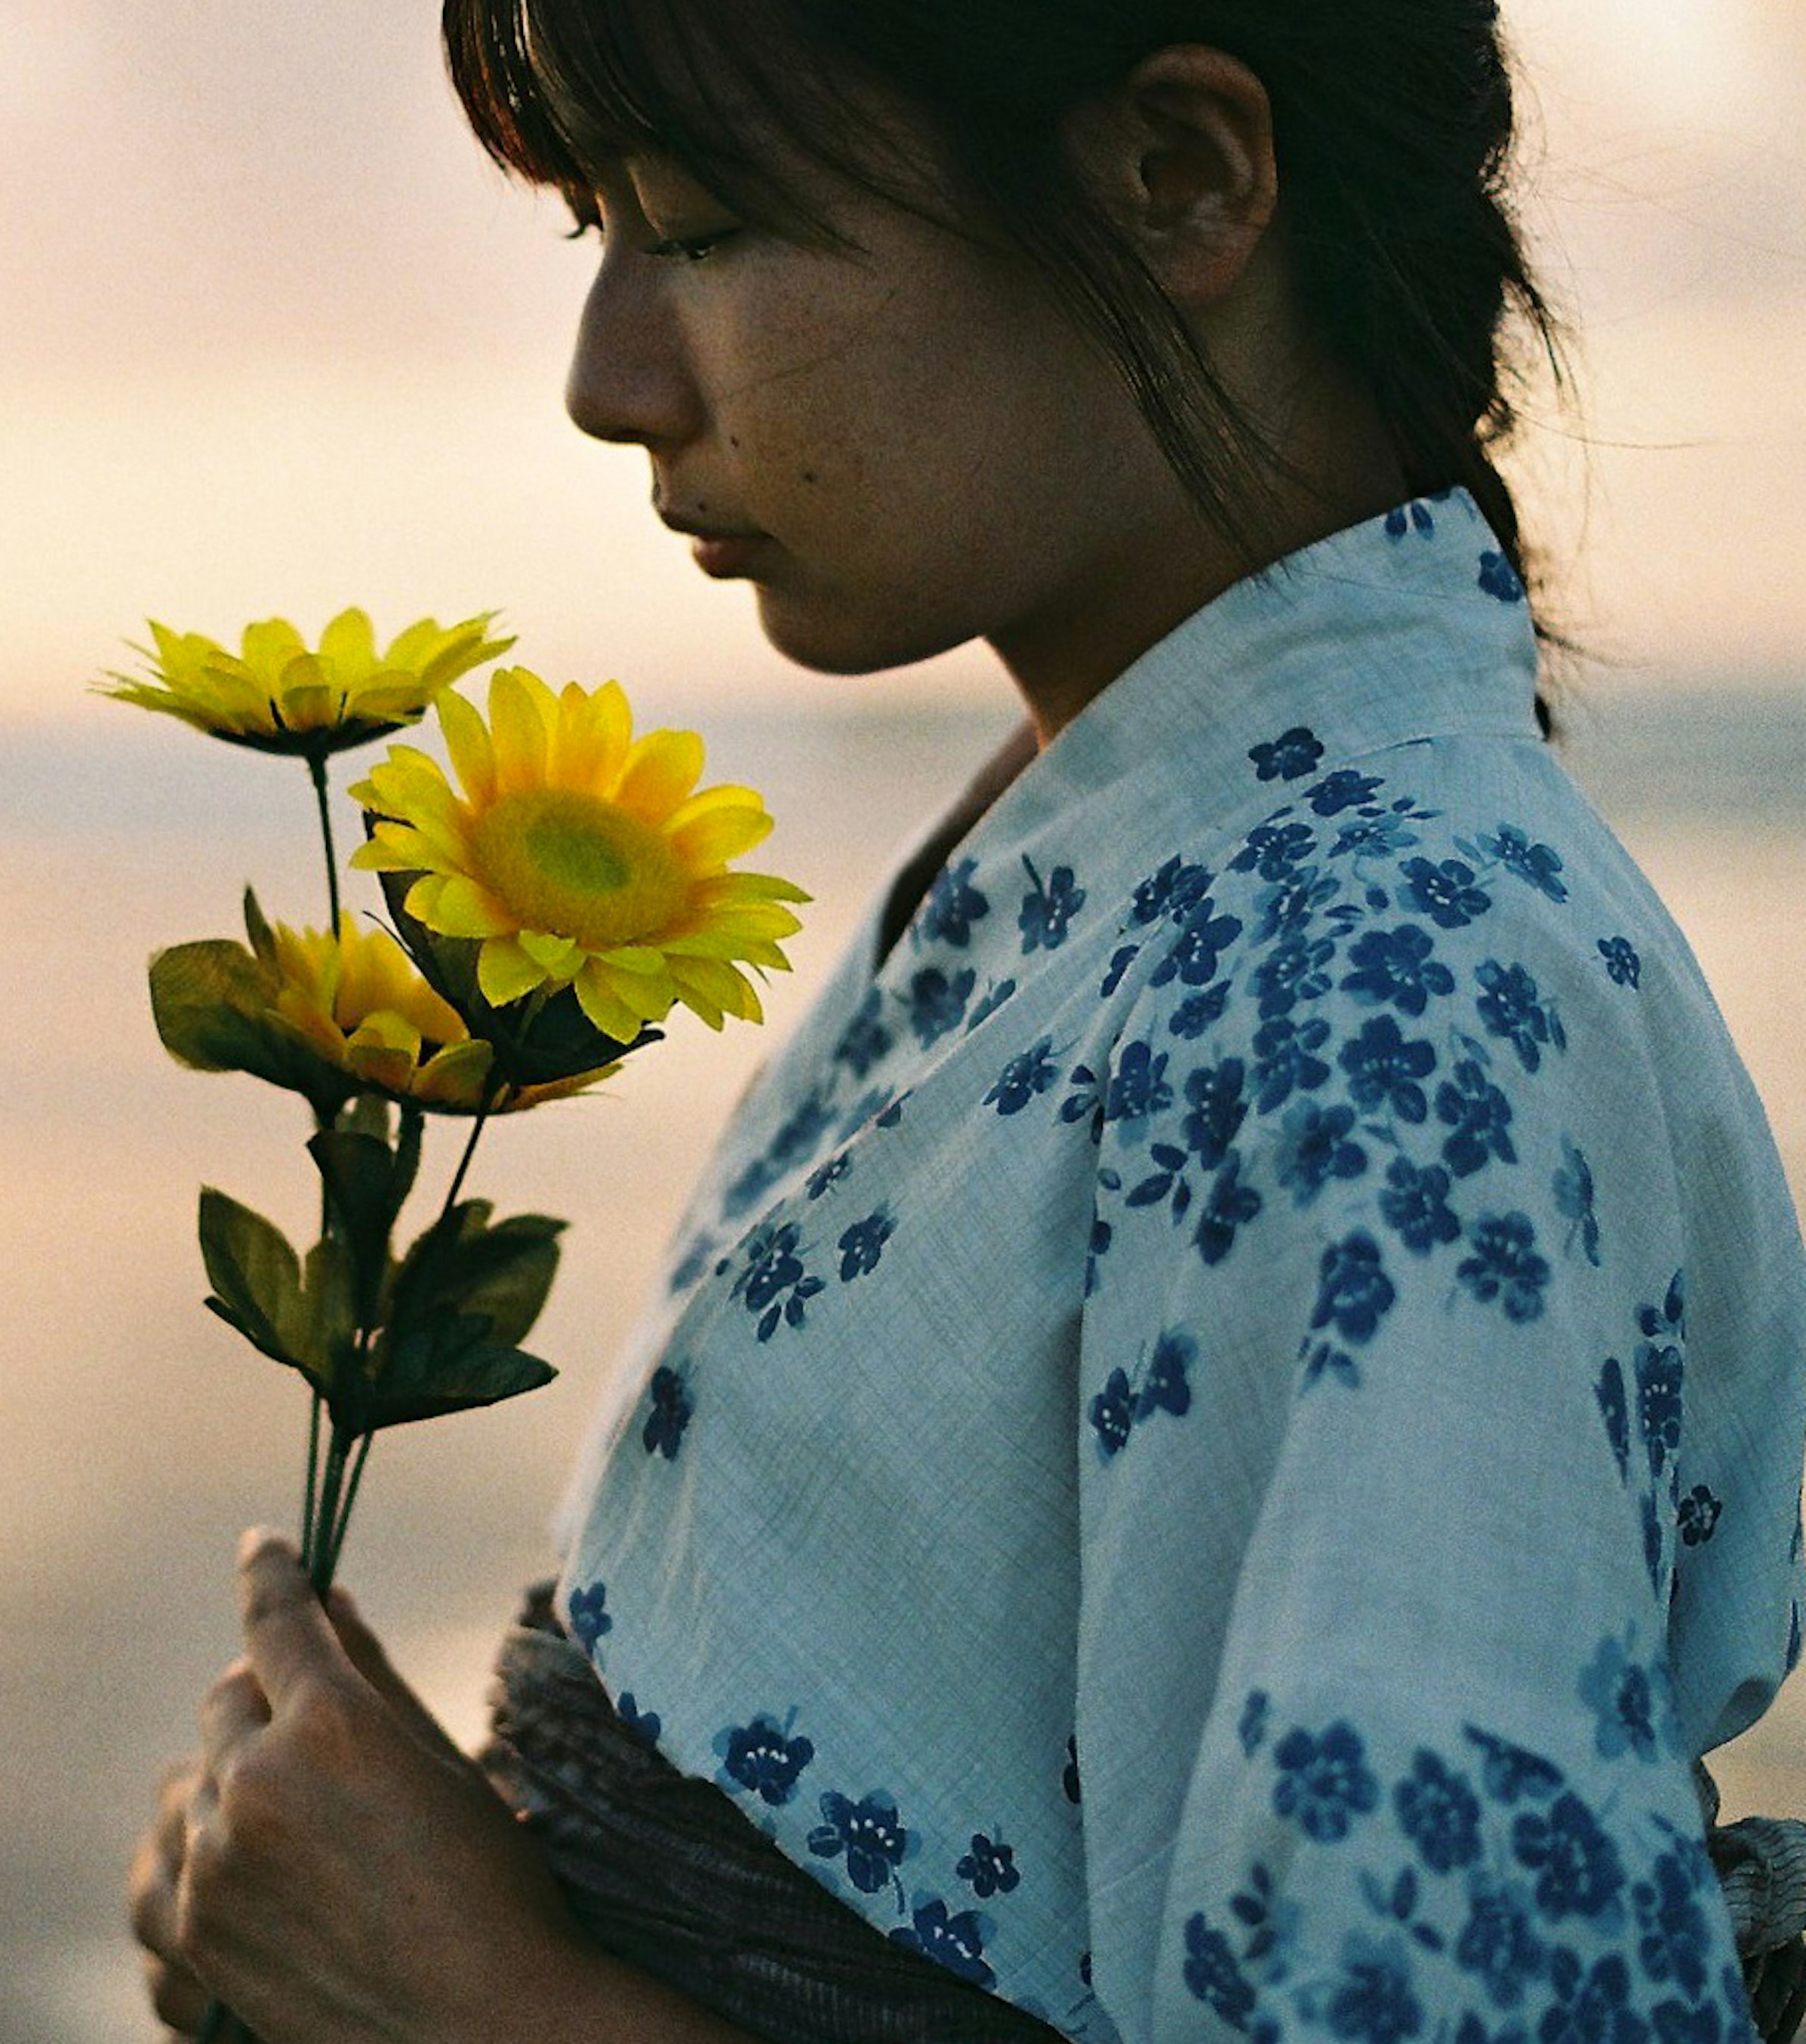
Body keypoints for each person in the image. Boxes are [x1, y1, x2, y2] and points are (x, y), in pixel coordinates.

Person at [129, 2, 1806, 2039]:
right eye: (605, 229)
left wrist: (471, 1999)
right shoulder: (1155, 835)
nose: (609, 380)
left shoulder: (1381, 996)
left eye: (709, 221)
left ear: (1179, 176)